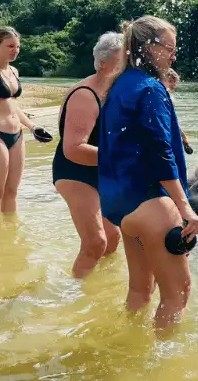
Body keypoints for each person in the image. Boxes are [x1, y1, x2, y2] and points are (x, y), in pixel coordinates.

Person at [98, 15, 198, 331]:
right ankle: (164, 358)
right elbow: (160, 154)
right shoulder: (150, 89)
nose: (173, 56)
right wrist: (185, 209)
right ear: (147, 47)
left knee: (140, 291)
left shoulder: (119, 85)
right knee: (178, 294)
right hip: (151, 204)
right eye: (168, 48)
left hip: (123, 205)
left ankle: (126, 348)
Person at [52, 32, 123, 279]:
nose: (129, 66)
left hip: (100, 169)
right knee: (95, 242)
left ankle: (99, 286)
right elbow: (73, 148)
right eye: (122, 61)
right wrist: (123, 159)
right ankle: (72, 291)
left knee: (113, 238)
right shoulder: (85, 94)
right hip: (75, 171)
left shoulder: (113, 91)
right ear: (103, 63)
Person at [0, 26, 46, 218]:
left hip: (17, 135)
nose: (15, 50)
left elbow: (12, 105)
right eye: (10, 46)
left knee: (12, 191)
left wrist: (32, 126)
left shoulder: (14, 71)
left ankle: (10, 233)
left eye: (18, 46)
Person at [162, 68, 193, 155]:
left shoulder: (168, 96)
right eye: (170, 81)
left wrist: (183, 136)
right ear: (163, 80)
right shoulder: (164, 97)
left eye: (174, 81)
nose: (173, 84)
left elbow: (172, 119)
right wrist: (183, 136)